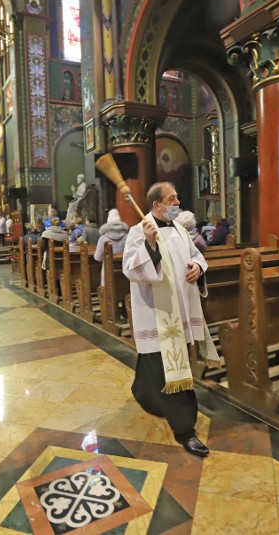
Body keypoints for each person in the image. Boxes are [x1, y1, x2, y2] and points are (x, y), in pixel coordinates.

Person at [122, 182, 220, 458]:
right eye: (172, 198)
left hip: (181, 311)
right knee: (169, 368)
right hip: (156, 314)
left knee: (154, 364)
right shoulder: (137, 232)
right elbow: (130, 269)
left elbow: (196, 256)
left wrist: (197, 268)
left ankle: (144, 394)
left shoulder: (180, 229)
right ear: (157, 206)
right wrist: (150, 244)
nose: (178, 202)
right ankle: (185, 430)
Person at [94, 209, 129, 284]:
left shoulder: (103, 238)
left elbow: (98, 258)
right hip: (124, 274)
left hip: (108, 274)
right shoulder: (127, 237)